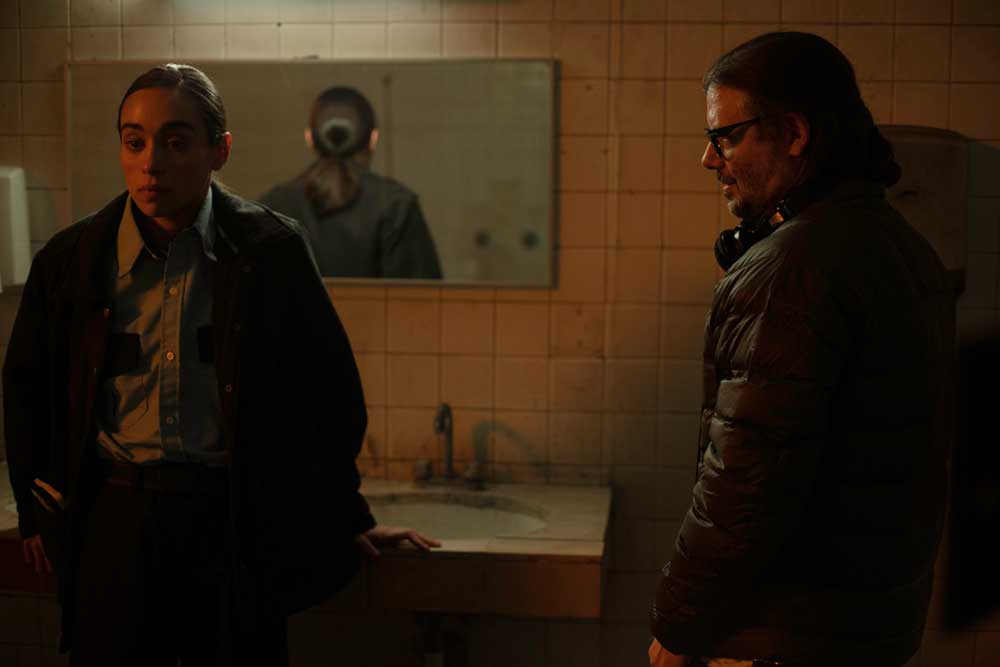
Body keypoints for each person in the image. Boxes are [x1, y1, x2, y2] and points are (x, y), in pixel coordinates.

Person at [3, 63, 438, 667]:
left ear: (219, 151)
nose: (151, 164)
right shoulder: (72, 259)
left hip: (231, 522)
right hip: (115, 522)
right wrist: (37, 511)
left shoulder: (270, 250)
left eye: (176, 142)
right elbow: (27, 387)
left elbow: (327, 398)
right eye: (134, 142)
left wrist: (345, 516)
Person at [648, 32, 955, 667]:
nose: (708, 159)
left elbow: (745, 483)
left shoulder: (792, 269)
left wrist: (679, 627)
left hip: (780, 636)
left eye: (725, 137)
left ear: (793, 134)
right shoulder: (903, 246)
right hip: (868, 628)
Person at [259, 86, 443, 279]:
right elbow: (422, 293)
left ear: (309, 139)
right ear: (373, 139)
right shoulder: (398, 205)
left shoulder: (273, 205)